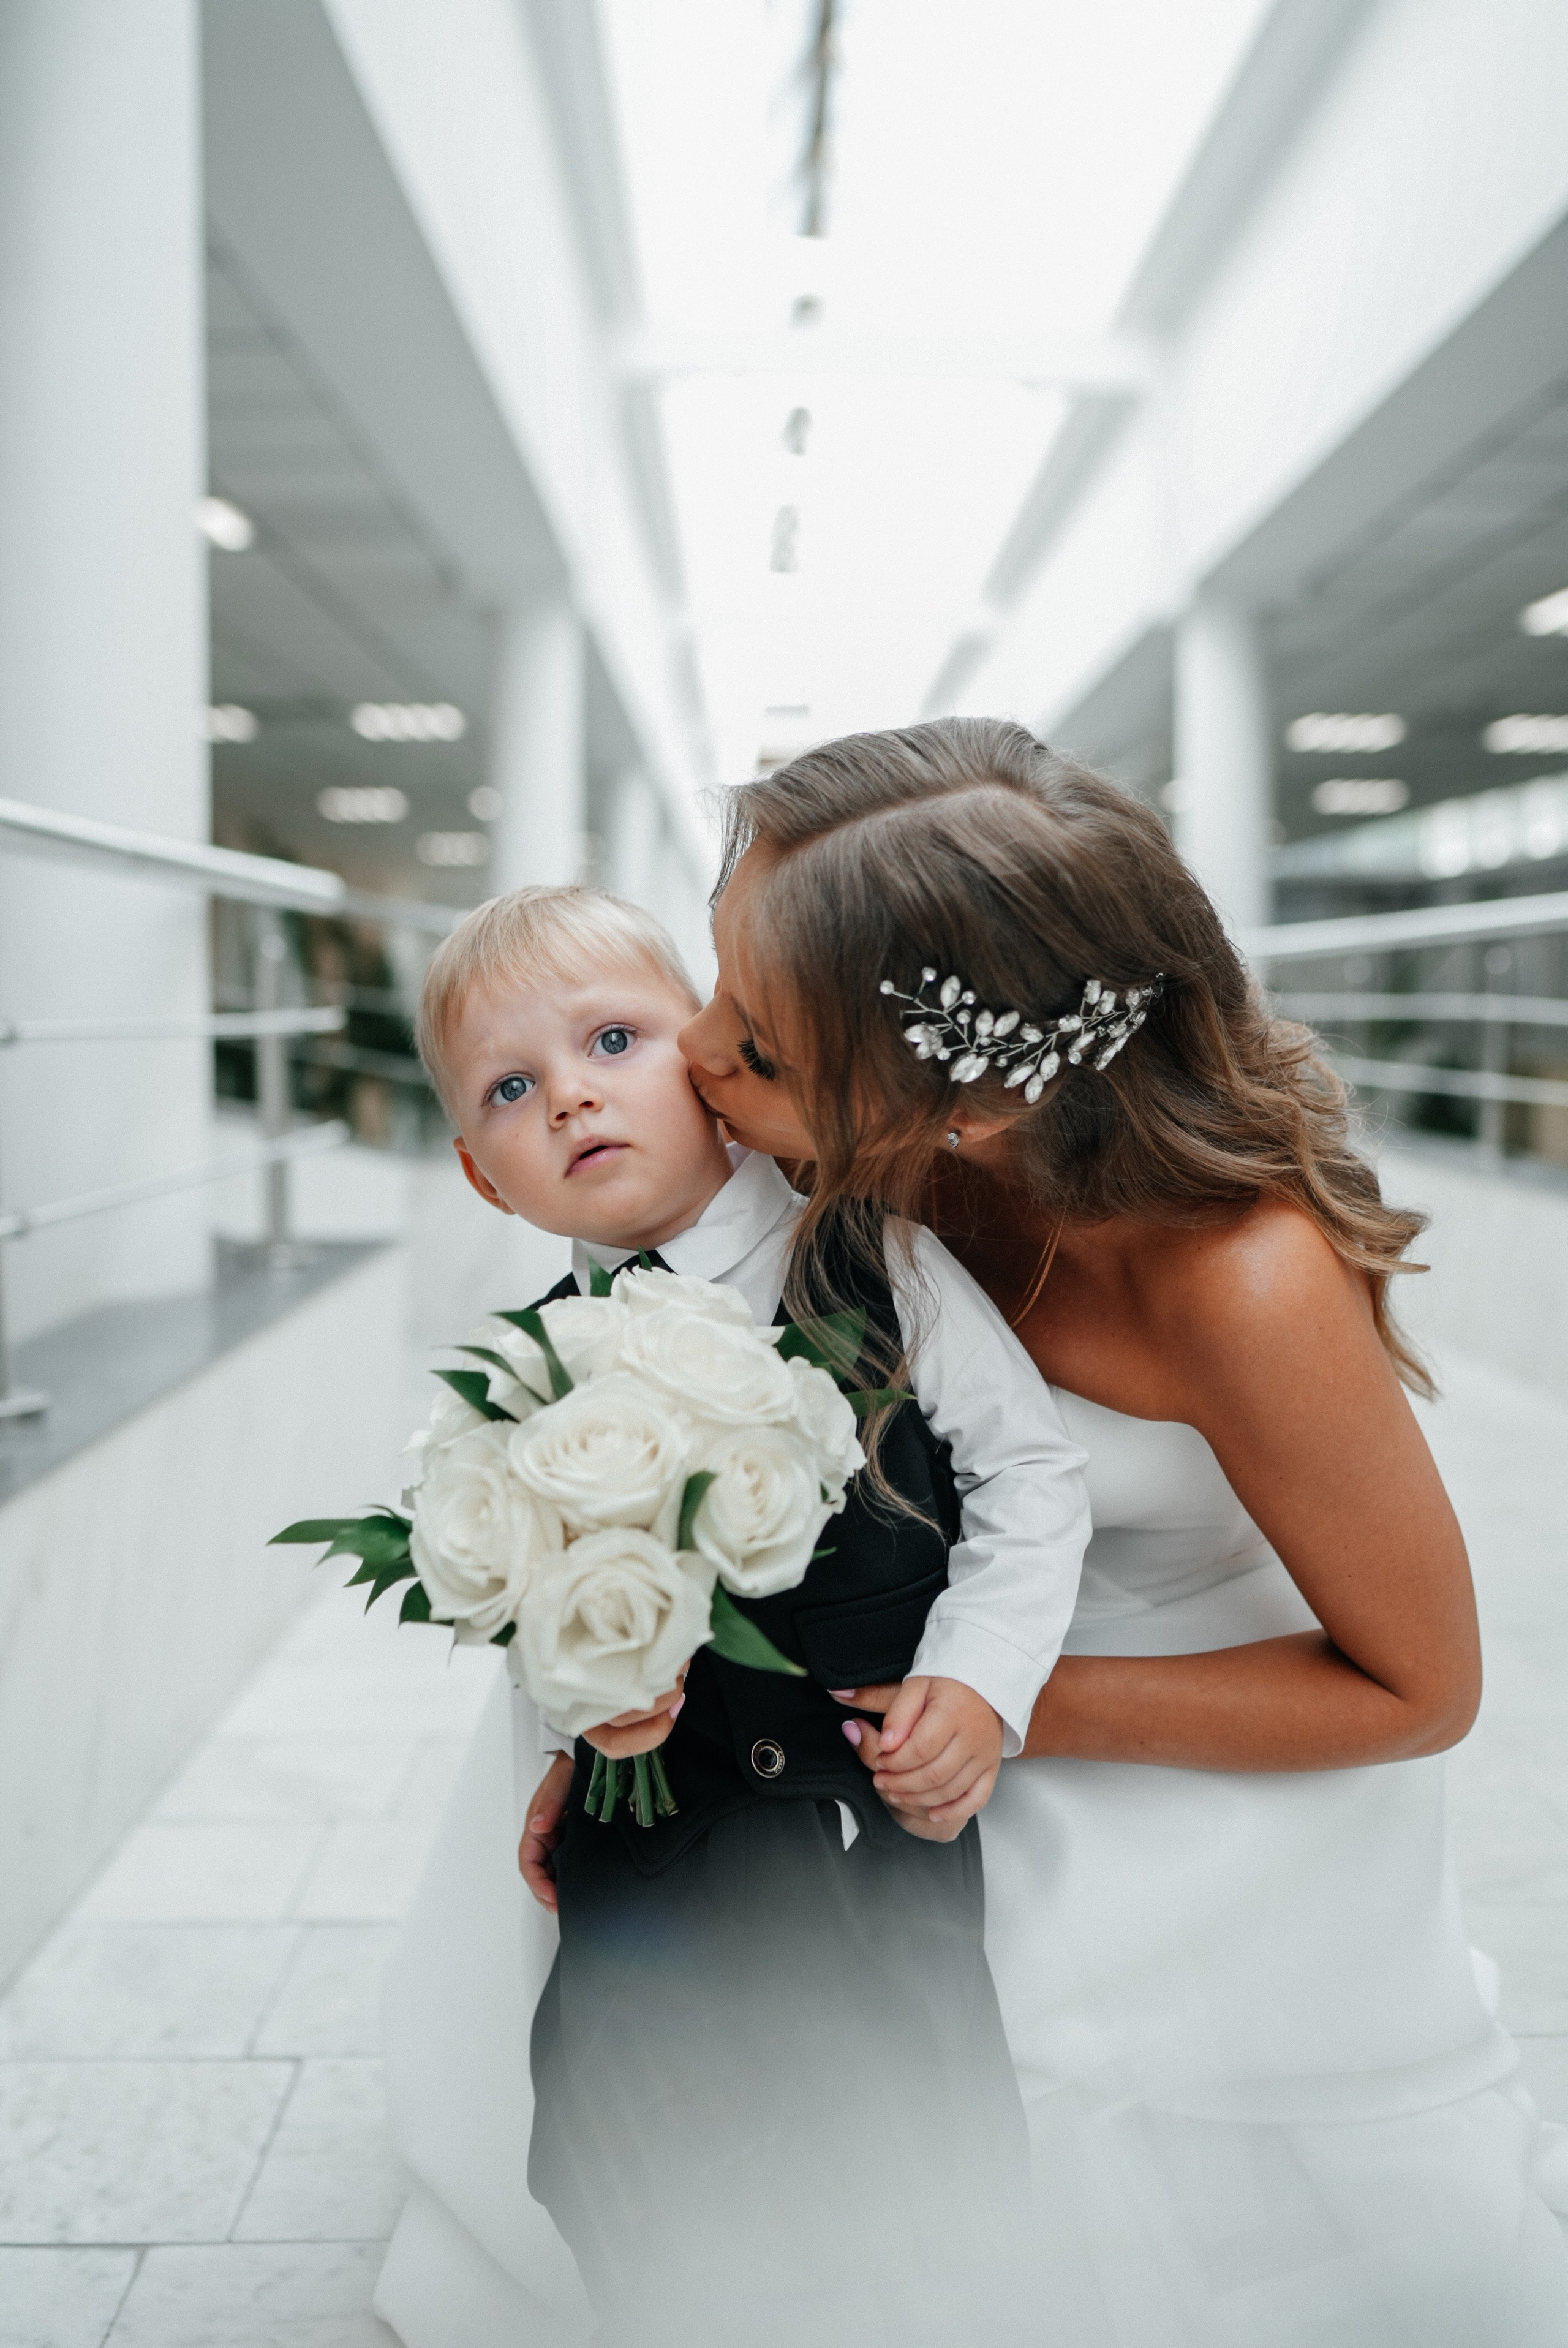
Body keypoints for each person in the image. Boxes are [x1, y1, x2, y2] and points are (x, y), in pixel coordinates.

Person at [674, 714, 1568, 2344]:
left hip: (1210, 1786)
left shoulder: (1246, 1281)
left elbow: (1424, 1693)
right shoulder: (906, 1165)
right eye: (713, 985)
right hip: (956, 1734)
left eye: (762, 1052)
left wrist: (1018, 1695)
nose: (694, 1054)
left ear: (978, 1109)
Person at [404, 880, 1091, 2346]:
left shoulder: (868, 1257)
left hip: (862, 1816)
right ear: (483, 1175)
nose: (572, 1096)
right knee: (613, 2129)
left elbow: (1030, 1472)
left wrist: (976, 1682)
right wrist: (577, 1717)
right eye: (515, 1087)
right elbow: (550, 1593)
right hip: (656, 1833)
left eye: (610, 1039)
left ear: (709, 1068)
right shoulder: (540, 1363)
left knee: (905, 2132)